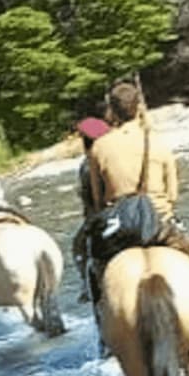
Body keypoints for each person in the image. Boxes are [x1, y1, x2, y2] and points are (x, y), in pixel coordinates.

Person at [85, 80, 189, 302]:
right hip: (160, 223)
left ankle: (102, 324)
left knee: (93, 269)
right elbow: (172, 195)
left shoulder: (99, 148)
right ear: (138, 107)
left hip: (120, 230)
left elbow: (97, 200)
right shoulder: (158, 142)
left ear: (112, 110)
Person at [72, 116, 111, 304]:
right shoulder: (115, 154)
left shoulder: (87, 164)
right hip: (135, 208)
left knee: (78, 244)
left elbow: (91, 200)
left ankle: (86, 285)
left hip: (101, 216)